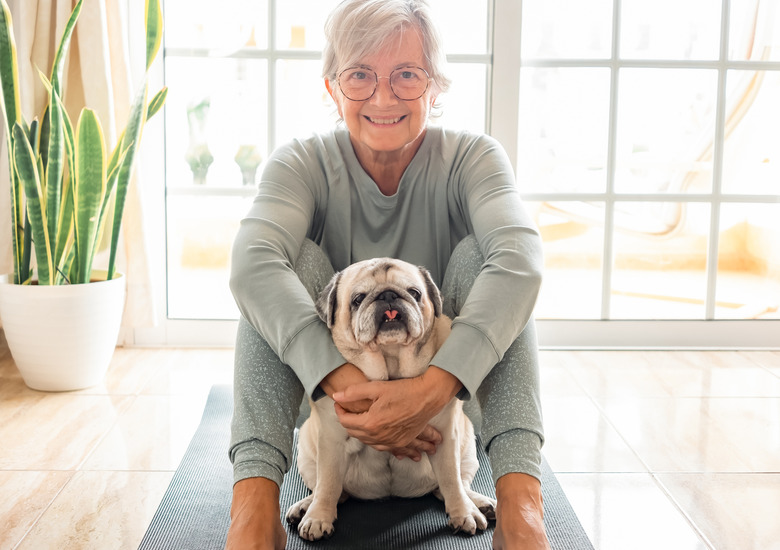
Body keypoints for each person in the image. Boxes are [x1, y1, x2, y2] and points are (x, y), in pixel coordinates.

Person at [225, 1, 548, 548]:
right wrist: (345, 384)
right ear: (332, 88)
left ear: (435, 87)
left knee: (485, 261)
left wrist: (434, 387)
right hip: (331, 406)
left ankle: (522, 512)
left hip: (444, 407)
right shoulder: (298, 163)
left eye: (406, 75)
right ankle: (253, 511)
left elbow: (520, 259)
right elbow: (251, 263)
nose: (383, 96)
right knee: (287, 265)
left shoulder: (475, 158)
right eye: (359, 76)